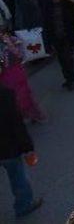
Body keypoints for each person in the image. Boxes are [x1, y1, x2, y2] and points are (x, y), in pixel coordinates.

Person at [0, 86, 43, 218]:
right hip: (8, 148)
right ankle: (23, 205)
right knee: (18, 178)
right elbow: (17, 123)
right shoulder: (5, 94)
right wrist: (27, 147)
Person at [0, 30, 46, 122]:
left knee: (23, 94)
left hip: (15, 72)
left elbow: (19, 54)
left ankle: (33, 114)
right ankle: (24, 115)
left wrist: (9, 43)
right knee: (15, 96)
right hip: (6, 74)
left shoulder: (9, 39)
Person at [43, 0, 74, 91]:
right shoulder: (49, 7)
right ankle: (67, 78)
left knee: (68, 59)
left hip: (67, 37)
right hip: (56, 37)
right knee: (61, 60)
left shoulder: (68, 5)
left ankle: (71, 80)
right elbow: (46, 24)